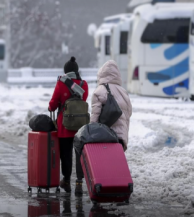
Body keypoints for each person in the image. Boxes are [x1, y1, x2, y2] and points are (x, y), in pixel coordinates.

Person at [74, 60, 132, 195]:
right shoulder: (123, 92)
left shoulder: (100, 91)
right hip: (120, 136)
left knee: (103, 166)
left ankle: (104, 189)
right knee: (115, 165)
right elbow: (128, 114)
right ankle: (119, 189)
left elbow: (95, 115)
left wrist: (91, 133)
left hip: (104, 135)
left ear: (102, 74)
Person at [48, 56, 89, 193]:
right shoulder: (84, 85)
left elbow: (53, 104)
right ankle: (79, 182)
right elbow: (83, 101)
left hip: (65, 126)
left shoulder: (61, 83)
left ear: (65, 71)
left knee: (66, 154)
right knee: (79, 154)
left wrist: (50, 108)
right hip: (80, 126)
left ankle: (66, 181)